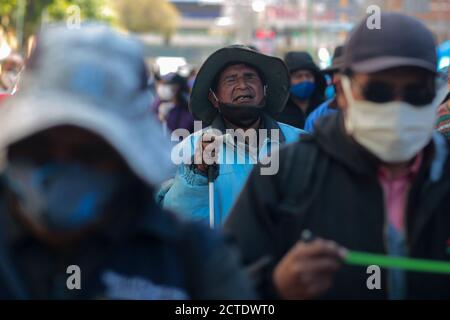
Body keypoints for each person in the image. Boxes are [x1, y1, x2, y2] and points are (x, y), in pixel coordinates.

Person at [0, 24, 255, 300]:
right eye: (38, 148)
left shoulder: (195, 258)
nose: (60, 169)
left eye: (89, 154)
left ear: (124, 162)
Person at [225, 13, 450, 299]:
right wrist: (276, 288)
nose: (398, 107)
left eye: (416, 92)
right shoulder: (284, 174)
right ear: (342, 91)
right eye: (378, 91)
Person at [159, 45, 302, 226]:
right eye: (230, 80)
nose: (242, 85)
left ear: (265, 93)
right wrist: (197, 174)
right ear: (214, 99)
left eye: (250, 77)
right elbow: (175, 220)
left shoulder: (299, 142)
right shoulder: (188, 150)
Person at [273, 51, 326, 129]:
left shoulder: (323, 108)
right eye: (298, 76)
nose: (304, 80)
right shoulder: (278, 112)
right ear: (287, 80)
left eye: (308, 76)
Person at [304, 46, 345, 133]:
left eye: (345, 72)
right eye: (335, 73)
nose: (337, 79)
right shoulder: (318, 116)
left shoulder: (376, 112)